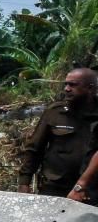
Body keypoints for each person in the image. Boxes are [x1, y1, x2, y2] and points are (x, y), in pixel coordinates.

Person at [19, 68, 98, 198]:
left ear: (90, 88)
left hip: (90, 190)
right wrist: (24, 183)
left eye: (72, 85)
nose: (67, 89)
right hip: (55, 188)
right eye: (66, 84)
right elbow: (34, 149)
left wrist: (82, 186)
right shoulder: (55, 112)